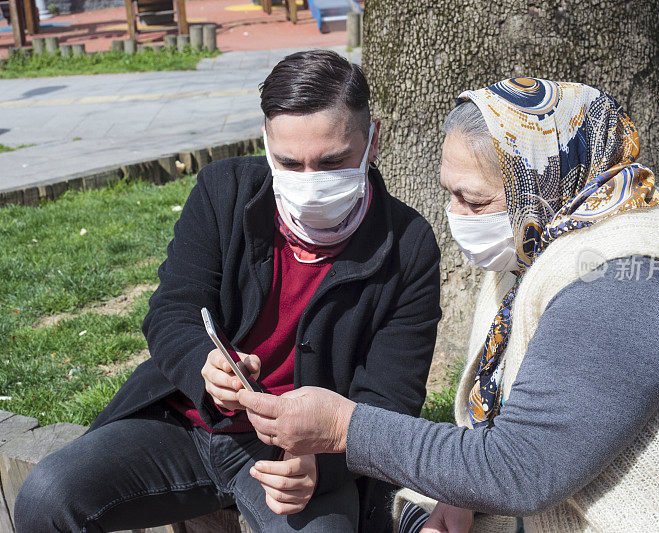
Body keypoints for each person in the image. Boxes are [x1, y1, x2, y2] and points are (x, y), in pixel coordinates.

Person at [235, 77, 659, 532]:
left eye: (473, 199)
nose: (455, 215)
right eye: (449, 192)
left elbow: (523, 468)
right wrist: (465, 497)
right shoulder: (564, 231)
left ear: (539, 185)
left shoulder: (623, 287)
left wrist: (342, 426)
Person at [13, 50, 442, 533]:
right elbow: (170, 311)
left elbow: (391, 400)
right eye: (288, 162)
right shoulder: (223, 191)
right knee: (48, 495)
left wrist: (321, 467)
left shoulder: (409, 245)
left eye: (332, 162)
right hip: (184, 424)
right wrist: (205, 365)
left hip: (301, 450)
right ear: (265, 143)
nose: (310, 183)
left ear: (373, 140)